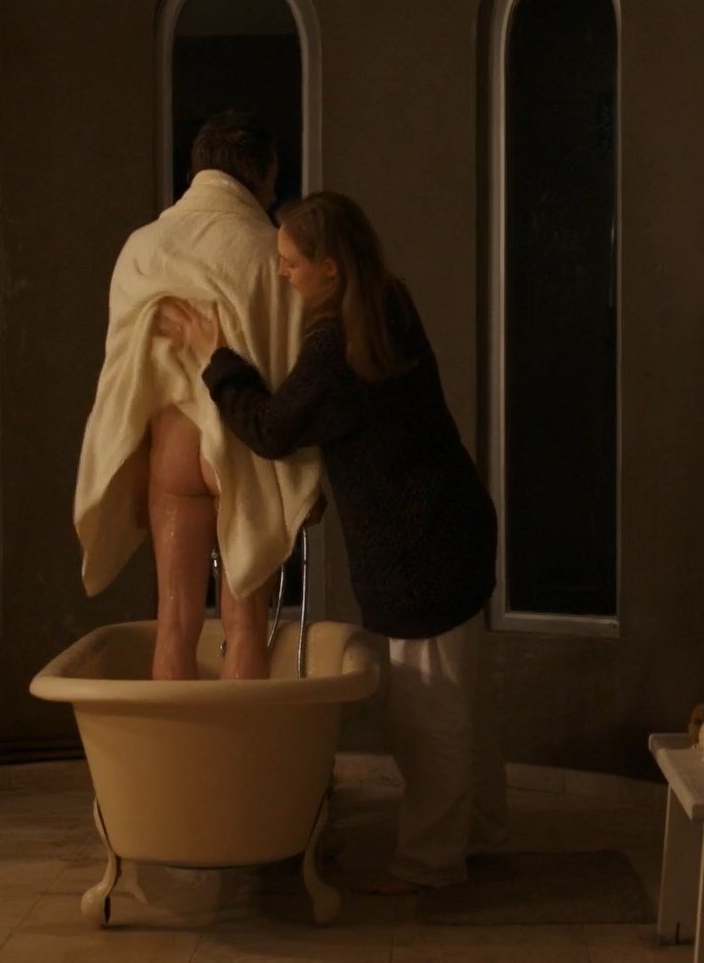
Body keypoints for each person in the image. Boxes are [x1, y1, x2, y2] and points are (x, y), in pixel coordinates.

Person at [155, 191, 508, 893]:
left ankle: (431, 864)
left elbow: (272, 428)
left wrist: (215, 356)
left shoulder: (338, 346)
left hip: (423, 550)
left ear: (330, 268)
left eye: (290, 263)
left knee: (427, 715)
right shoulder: (385, 303)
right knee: (458, 700)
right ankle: (478, 833)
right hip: (449, 528)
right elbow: (345, 422)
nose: (282, 273)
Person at [74, 112, 322, 681]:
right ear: (263, 172)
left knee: (175, 622)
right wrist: (305, 474)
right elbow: (293, 368)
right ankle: (245, 744)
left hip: (174, 451)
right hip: (246, 446)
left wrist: (132, 469)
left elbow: (123, 374)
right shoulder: (271, 253)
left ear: (198, 170)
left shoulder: (142, 248)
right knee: (246, 625)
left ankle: (177, 744)